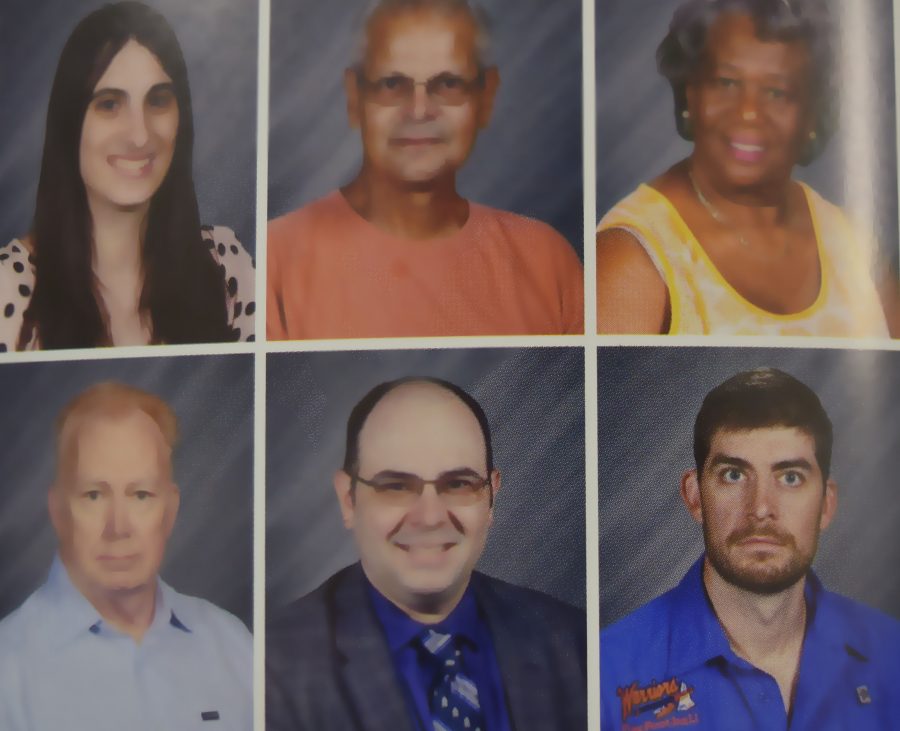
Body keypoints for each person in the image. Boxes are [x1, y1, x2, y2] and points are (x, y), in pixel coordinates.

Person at [267, 377, 586, 730]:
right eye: (397, 486)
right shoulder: (273, 665)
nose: (430, 517)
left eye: (458, 484)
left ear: (491, 496)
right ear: (348, 499)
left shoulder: (573, 643)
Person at [600, 368, 900, 730]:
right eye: (734, 474)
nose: (760, 507)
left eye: (790, 477)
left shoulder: (891, 655)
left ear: (826, 504)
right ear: (695, 496)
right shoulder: (607, 670)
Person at [267, 0, 584, 339]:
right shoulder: (277, 261)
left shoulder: (545, 262)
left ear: (486, 96)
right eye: (392, 84)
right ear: (354, 97)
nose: (418, 111)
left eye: (448, 84)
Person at [596, 0, 899, 336]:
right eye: (726, 82)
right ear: (690, 94)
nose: (749, 112)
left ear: (812, 115)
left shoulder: (852, 243)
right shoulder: (631, 255)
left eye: (777, 92)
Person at [0, 2, 255, 351]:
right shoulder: (6, 289)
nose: (139, 135)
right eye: (109, 104)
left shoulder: (226, 266)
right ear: (69, 124)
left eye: (158, 100)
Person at [0, 382, 252, 730]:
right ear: (58, 511)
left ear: (171, 510)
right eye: (93, 495)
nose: (118, 527)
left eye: (141, 495)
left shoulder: (233, 645)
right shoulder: (7, 669)